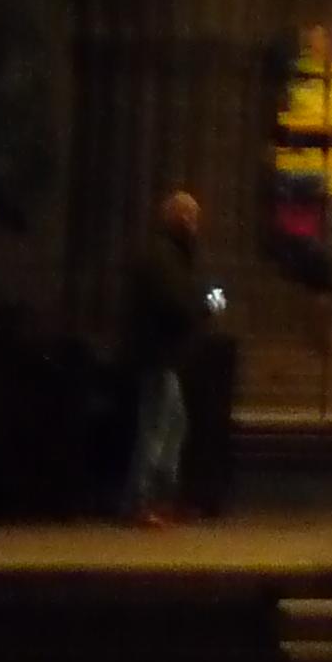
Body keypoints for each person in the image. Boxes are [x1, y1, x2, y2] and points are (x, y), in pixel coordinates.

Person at [119, 187, 206, 524]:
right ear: (179, 218)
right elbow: (175, 302)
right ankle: (140, 501)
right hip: (155, 354)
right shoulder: (162, 256)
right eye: (192, 217)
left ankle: (161, 497)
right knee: (156, 427)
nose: (196, 225)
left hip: (164, 356)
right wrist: (202, 306)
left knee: (174, 424)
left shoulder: (173, 255)